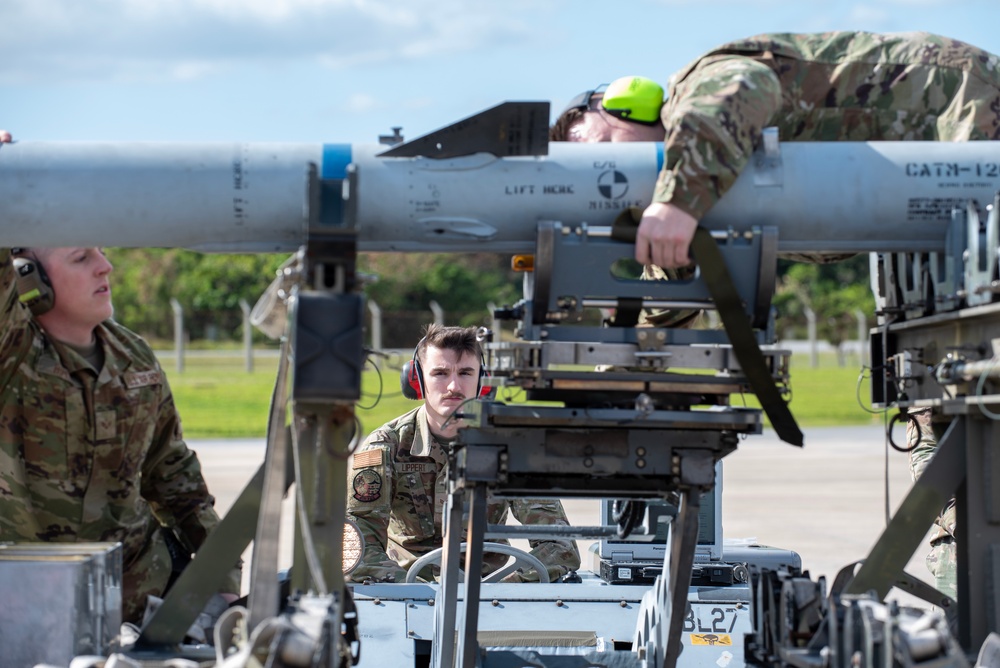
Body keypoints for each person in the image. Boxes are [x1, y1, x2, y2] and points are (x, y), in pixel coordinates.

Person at [551, 31, 1000, 270]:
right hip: (929, 185)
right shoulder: (697, 187)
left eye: (604, 146)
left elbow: (743, 89)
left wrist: (675, 205)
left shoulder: (694, 91)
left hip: (954, 104)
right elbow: (668, 296)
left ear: (627, 105)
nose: (607, 172)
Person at [0, 233, 240, 622]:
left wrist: (224, 577)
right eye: (80, 258)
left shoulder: (136, 359)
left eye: (102, 251)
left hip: (141, 609)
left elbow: (174, 474)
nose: (105, 266)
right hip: (26, 612)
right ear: (28, 275)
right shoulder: (12, 354)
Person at [346, 324, 581, 584]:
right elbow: (355, 543)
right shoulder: (385, 445)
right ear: (417, 379)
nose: (453, 386)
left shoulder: (511, 445)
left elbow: (560, 546)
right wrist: (409, 589)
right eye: (440, 373)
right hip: (407, 592)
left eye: (466, 372)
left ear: (482, 380)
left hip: (489, 593)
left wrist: (508, 588)